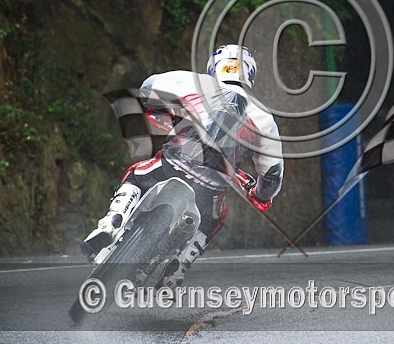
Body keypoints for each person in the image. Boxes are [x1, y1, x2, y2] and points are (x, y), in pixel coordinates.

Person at [81, 44, 284, 288]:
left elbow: (148, 87)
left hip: (172, 164)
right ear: (249, 74)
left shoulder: (194, 83)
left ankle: (112, 221)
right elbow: (272, 174)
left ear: (215, 66)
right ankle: (177, 267)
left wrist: (169, 112)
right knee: (215, 219)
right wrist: (259, 193)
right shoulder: (264, 119)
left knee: (136, 174)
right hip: (212, 188)